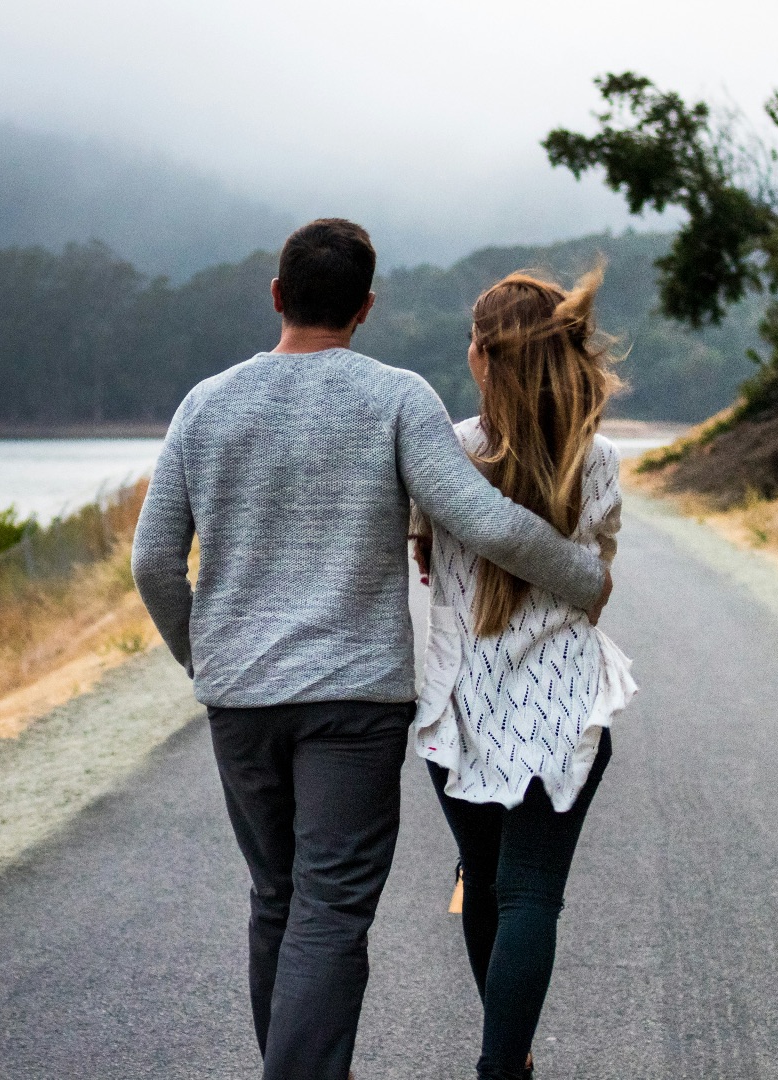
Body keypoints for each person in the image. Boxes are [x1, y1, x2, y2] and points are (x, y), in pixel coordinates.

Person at [130, 219, 612, 1080]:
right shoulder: (394, 397)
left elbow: (153, 560)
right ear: (366, 308)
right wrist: (583, 577)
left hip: (240, 703)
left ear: (277, 296)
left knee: (275, 900)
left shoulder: (204, 404)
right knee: (330, 910)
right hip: (353, 707)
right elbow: (485, 521)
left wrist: (200, 656)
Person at [408, 267, 637, 1080]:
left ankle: (512, 1058)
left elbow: (425, 555)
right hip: (566, 706)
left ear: (482, 357)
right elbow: (598, 574)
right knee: (532, 892)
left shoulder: (446, 456)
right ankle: (502, 1066)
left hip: (462, 710)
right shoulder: (599, 457)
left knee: (485, 883)